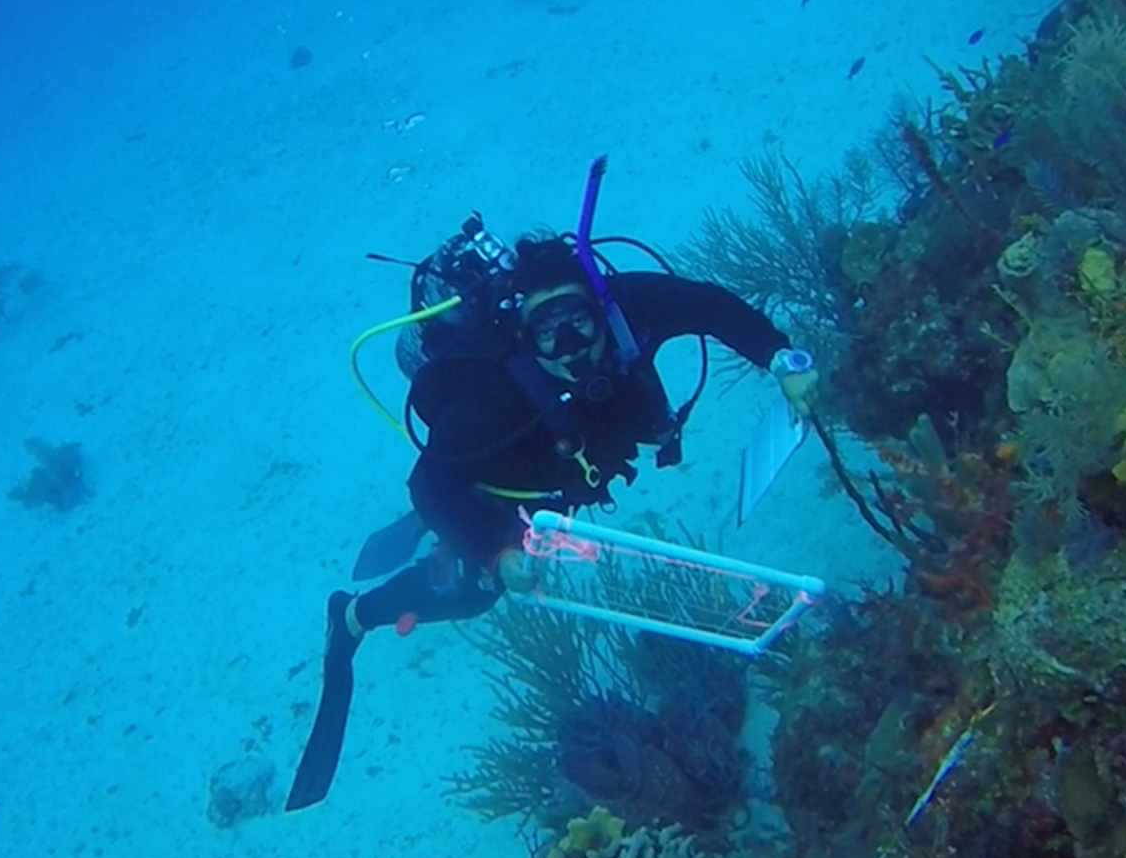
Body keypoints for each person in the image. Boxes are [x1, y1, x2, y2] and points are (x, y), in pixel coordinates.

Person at [285, 232, 816, 810]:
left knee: (466, 501)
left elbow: (708, 305)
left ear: (600, 309)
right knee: (475, 590)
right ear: (524, 333)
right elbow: (430, 482)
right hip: (497, 480)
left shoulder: (630, 308)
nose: (568, 347)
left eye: (578, 324)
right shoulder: (490, 397)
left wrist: (783, 359)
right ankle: (352, 618)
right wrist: (496, 551)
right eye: (547, 332)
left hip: (559, 465)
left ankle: (436, 532)